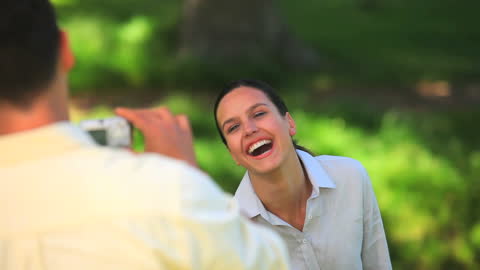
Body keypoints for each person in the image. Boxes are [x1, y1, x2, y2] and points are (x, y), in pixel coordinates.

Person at [0, 1, 290, 269]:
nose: (250, 129)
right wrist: (187, 174)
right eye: (233, 126)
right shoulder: (167, 196)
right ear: (65, 50)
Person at [213, 79, 392, 270]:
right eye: (233, 127)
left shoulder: (351, 178)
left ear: (289, 123)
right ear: (233, 154)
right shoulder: (230, 233)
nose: (249, 129)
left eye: (258, 114)